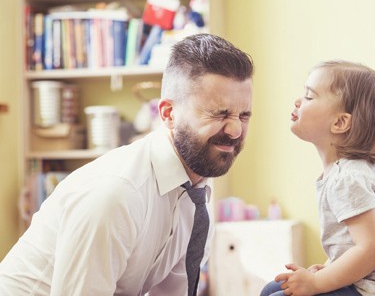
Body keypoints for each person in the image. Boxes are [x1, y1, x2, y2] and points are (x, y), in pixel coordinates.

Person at [0, 33, 254, 296]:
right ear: (168, 114)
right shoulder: (116, 194)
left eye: (244, 115)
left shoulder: (195, 192)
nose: (235, 129)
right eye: (219, 113)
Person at [260, 60, 375, 296]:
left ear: (340, 122)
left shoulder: (348, 177)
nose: (298, 102)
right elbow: (351, 244)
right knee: (273, 289)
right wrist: (328, 269)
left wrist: (317, 284)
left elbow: (371, 249)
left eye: (309, 97)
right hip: (363, 285)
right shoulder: (344, 173)